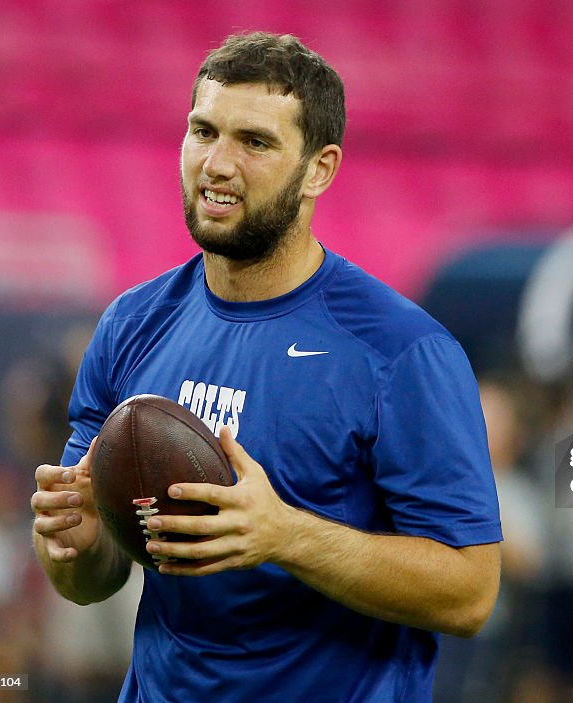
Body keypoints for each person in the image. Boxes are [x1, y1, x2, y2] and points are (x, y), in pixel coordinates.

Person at [30, 32, 502, 703]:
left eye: (254, 142)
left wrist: (286, 535)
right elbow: (89, 580)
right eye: (203, 130)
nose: (216, 163)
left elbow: (470, 592)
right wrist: (73, 542)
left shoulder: (401, 352)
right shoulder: (132, 325)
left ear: (319, 168)